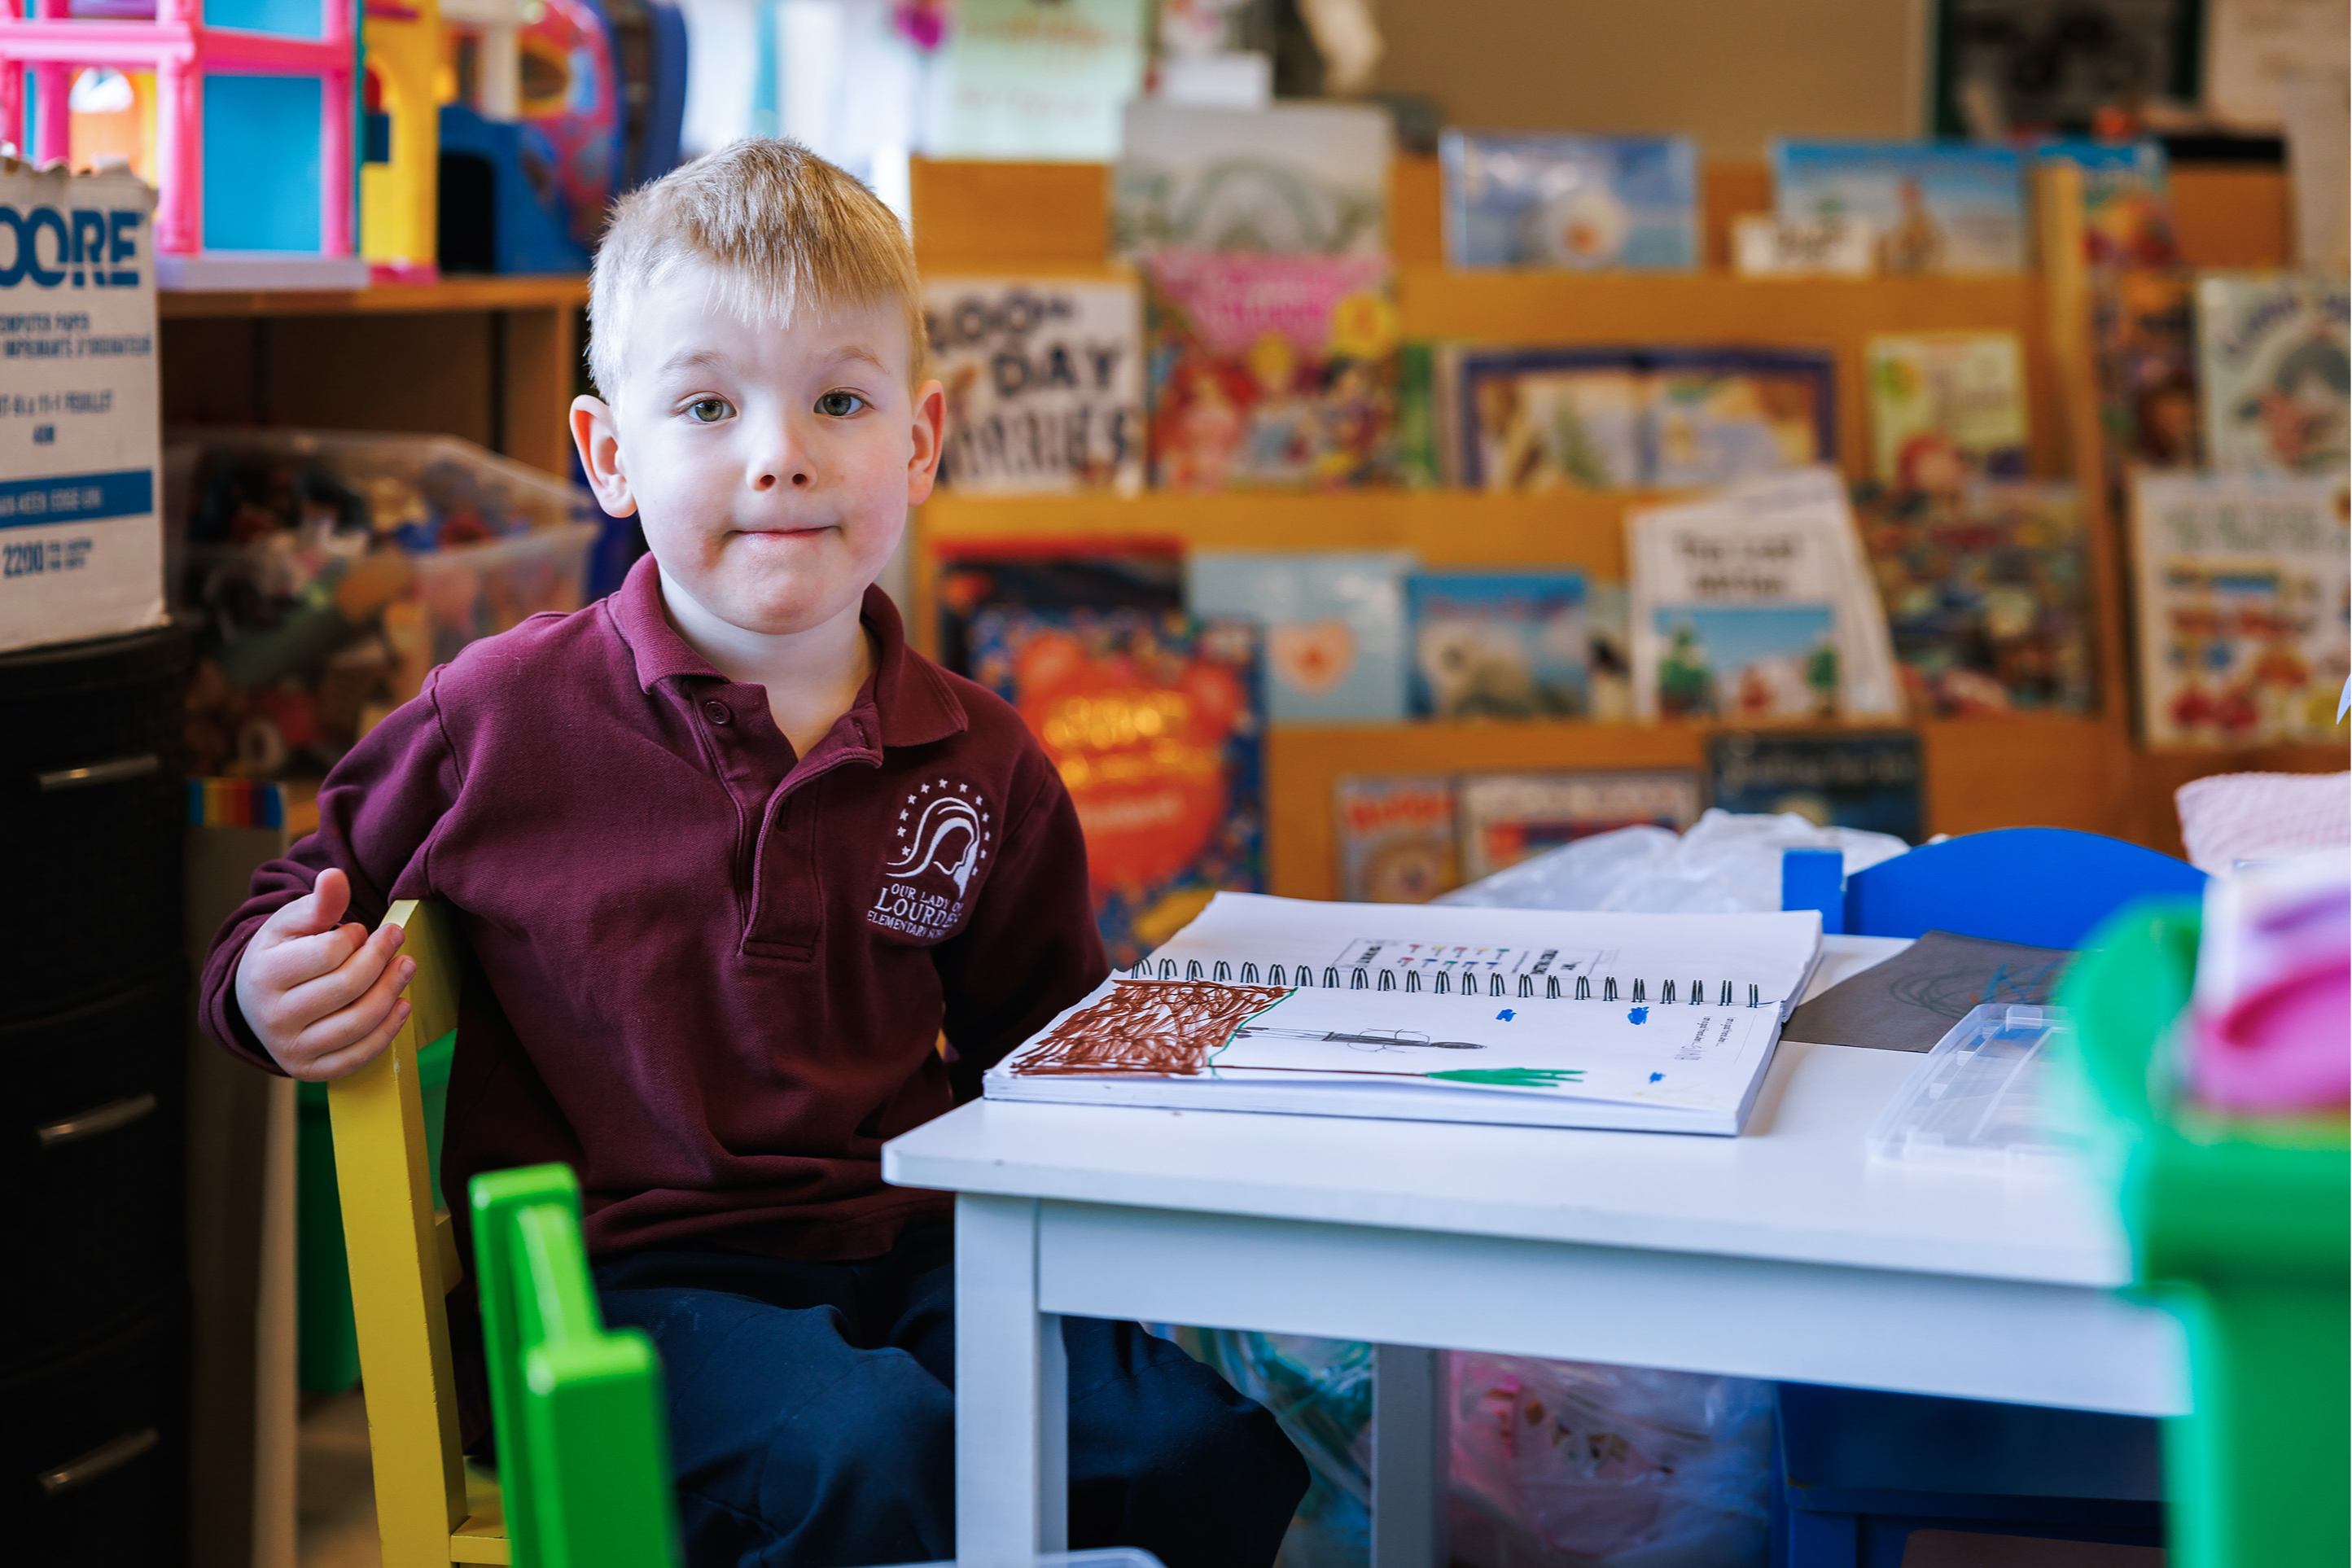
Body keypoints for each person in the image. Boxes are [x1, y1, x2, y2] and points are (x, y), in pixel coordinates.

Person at [198, 138, 1307, 1568]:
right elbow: (290, 900)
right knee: (877, 1453)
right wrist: (268, 991)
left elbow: (1051, 1059)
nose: (777, 451)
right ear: (611, 455)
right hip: (614, 1294)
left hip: (912, 1265)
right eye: (709, 405)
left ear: (917, 441)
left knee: (1196, 1452)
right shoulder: (500, 714)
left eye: (837, 399)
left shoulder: (986, 758)